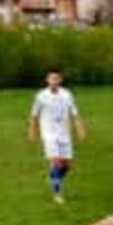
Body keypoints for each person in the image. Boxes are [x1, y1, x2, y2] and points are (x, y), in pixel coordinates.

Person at [28, 70, 86, 204]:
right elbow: (34, 115)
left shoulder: (67, 94)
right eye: (51, 78)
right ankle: (57, 194)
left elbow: (74, 113)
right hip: (49, 134)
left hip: (64, 134)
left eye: (56, 78)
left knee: (66, 165)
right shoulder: (41, 96)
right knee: (56, 162)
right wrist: (32, 131)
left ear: (60, 80)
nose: (54, 81)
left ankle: (52, 177)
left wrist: (80, 128)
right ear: (47, 80)